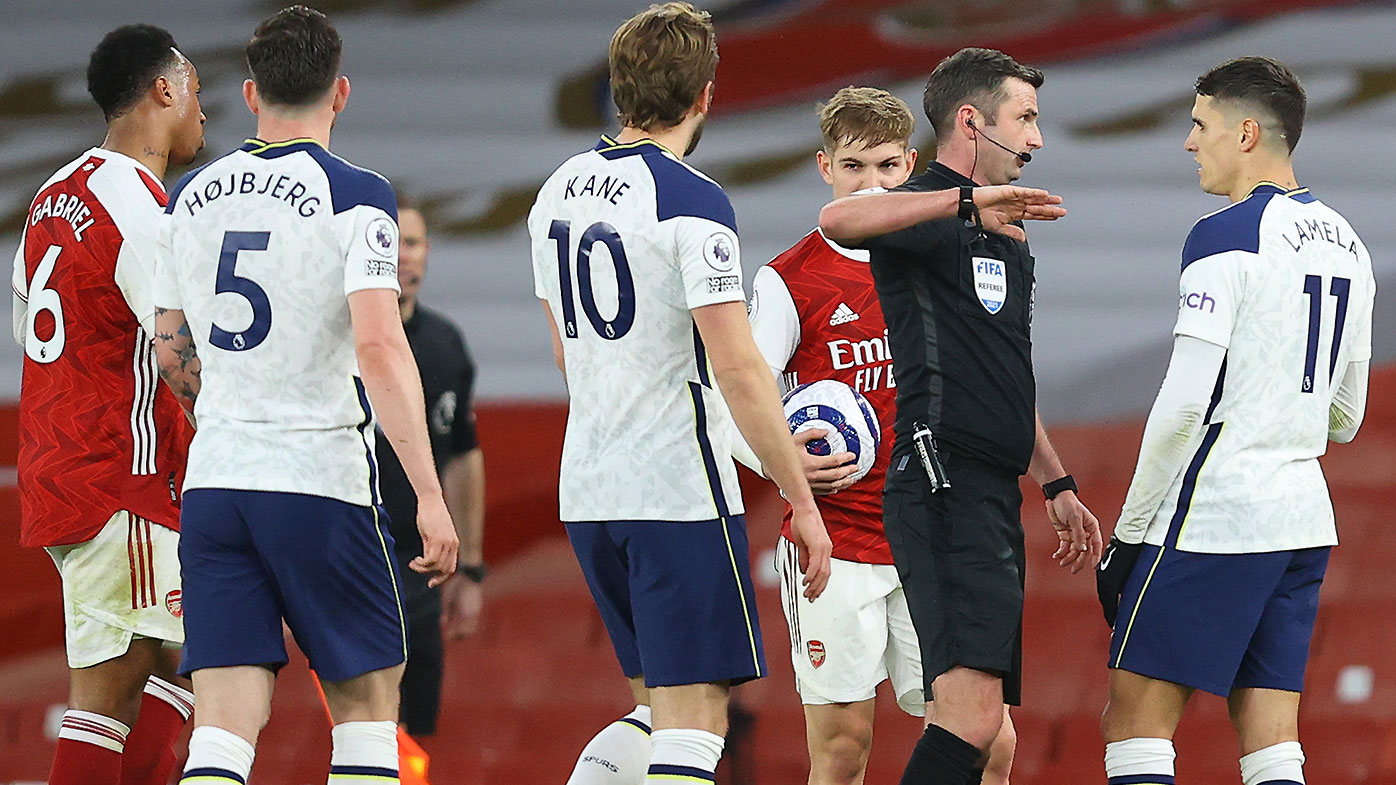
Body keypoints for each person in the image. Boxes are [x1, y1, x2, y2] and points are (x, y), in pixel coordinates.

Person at [150, 7, 458, 785]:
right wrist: (427, 490)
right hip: (319, 483)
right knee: (366, 707)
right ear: (341, 93)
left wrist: (223, 420)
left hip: (218, 483)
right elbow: (382, 345)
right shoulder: (357, 195)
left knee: (221, 722)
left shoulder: (188, 195)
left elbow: (168, 346)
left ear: (250, 96)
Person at [530, 5, 834, 784]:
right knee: (698, 718)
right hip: (675, 489)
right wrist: (797, 495)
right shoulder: (692, 201)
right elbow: (738, 369)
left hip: (590, 486)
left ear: (617, 88)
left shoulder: (557, 191)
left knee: (656, 711)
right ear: (704, 96)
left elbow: (566, 349)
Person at [819, 47, 1103, 785]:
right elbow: (839, 217)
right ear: (973, 120)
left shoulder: (1009, 233)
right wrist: (966, 203)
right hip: (942, 481)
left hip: (990, 490)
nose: (1038, 139)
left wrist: (1057, 480)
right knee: (973, 722)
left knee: (986, 731)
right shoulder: (922, 206)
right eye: (1027, 118)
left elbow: (1006, 373)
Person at [1095, 56, 1374, 785]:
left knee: (1135, 718)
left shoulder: (1224, 236)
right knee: (1272, 735)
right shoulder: (1352, 245)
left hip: (1219, 513)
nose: (1190, 142)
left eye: (1199, 125)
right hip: (1302, 518)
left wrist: (1127, 539)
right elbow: (1345, 415)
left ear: (1245, 132)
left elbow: (1185, 405)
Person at [747, 86, 1012, 785]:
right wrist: (786, 473)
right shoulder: (787, 280)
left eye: (888, 167)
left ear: (912, 164)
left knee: (989, 739)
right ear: (824, 167)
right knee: (841, 749)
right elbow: (735, 401)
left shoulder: (945, 261)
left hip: (932, 535)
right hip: (837, 543)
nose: (872, 185)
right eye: (854, 166)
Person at [9, 25, 204, 785]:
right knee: (114, 689)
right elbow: (172, 346)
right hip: (120, 480)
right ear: (165, 89)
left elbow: (30, 325)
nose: (200, 113)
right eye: (195, 92)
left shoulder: (53, 197)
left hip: (67, 471)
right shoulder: (140, 204)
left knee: (187, 661)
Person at [375, 192, 487, 738]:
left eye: (413, 242)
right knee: (364, 720)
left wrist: (472, 568)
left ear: (429, 251)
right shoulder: (344, 341)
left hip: (421, 566)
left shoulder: (446, 345)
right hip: (357, 555)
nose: (403, 255)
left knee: (415, 728)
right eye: (391, 242)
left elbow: (465, 454)